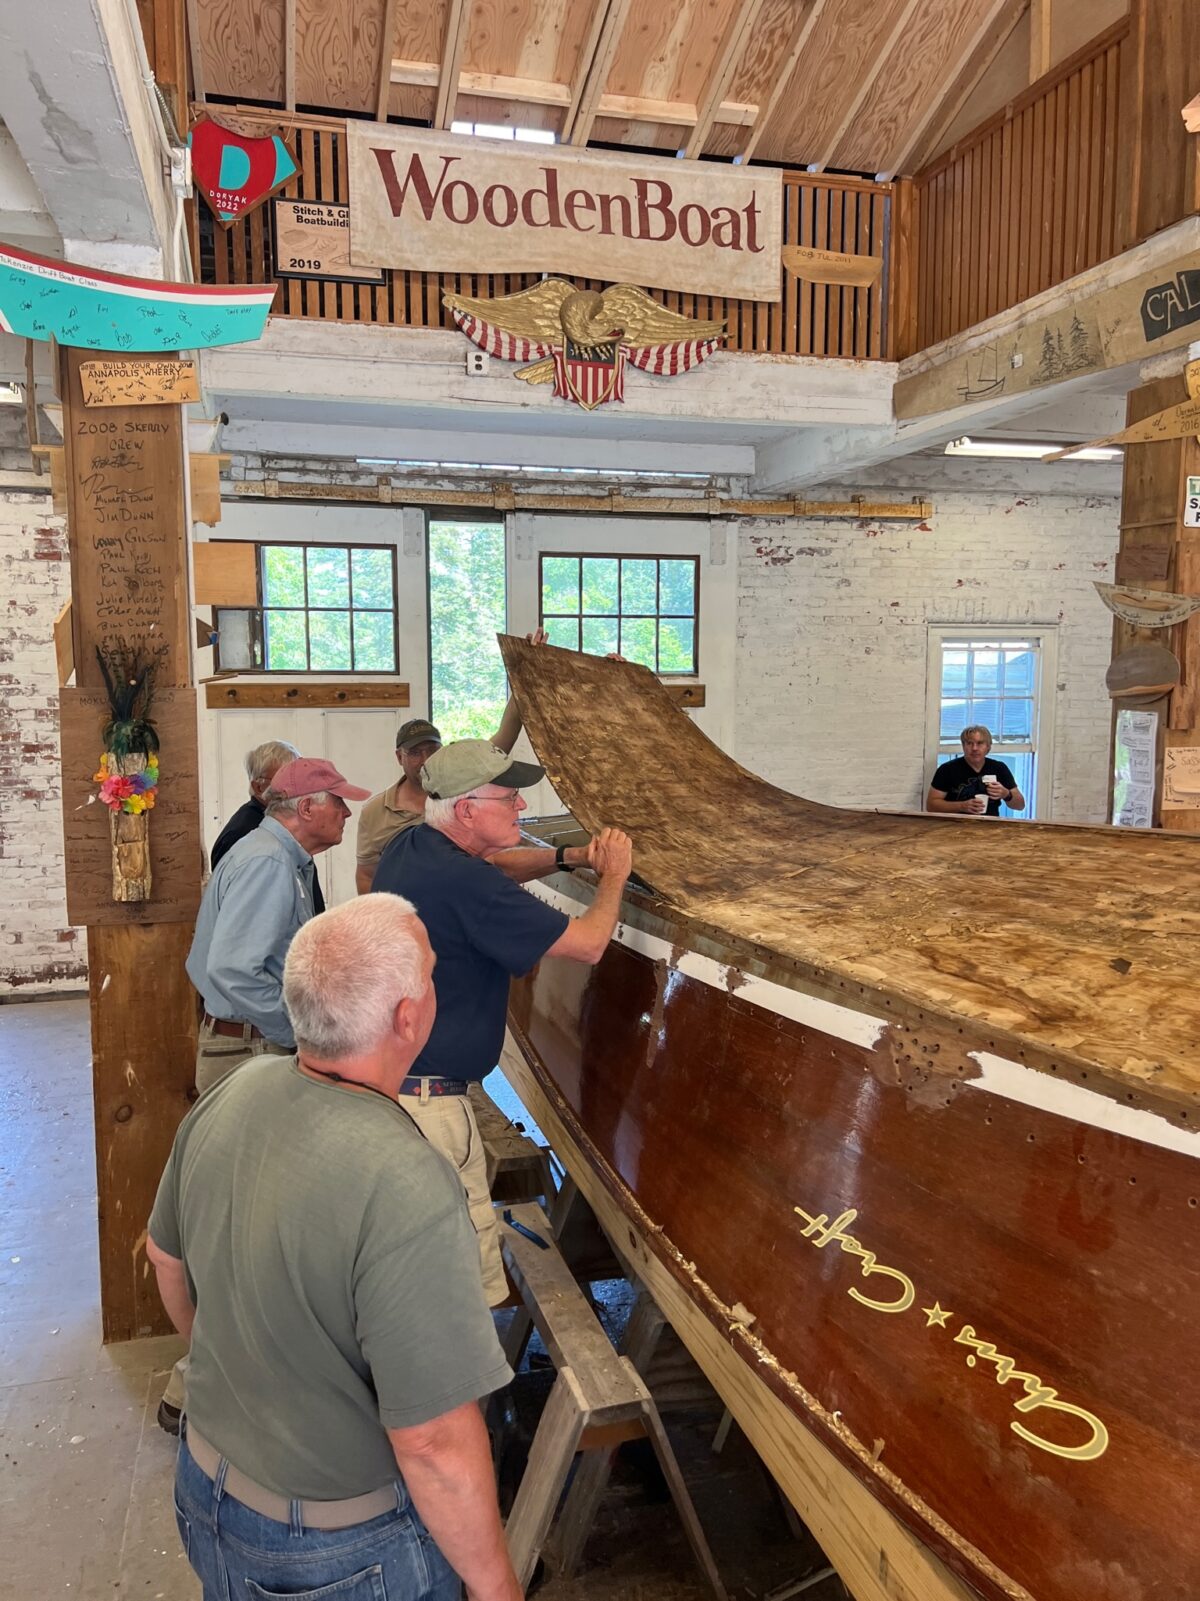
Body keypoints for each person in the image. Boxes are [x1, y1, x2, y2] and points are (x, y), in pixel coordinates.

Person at [147, 895, 521, 1601]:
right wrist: (496, 1582)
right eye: (433, 975)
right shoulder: (405, 1175)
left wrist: (246, 1373)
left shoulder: (237, 1089)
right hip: (336, 1549)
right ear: (407, 1017)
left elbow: (166, 1259)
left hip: (205, 1484)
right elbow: (432, 1441)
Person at [373, 738, 633, 1306]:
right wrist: (614, 875)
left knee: (427, 1270)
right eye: (509, 799)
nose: (521, 808)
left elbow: (492, 863)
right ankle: (462, 1390)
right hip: (432, 1109)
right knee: (463, 1288)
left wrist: (571, 858)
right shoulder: (468, 885)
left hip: (395, 1087)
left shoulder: (412, 846)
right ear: (467, 810)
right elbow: (589, 945)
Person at [161, 757, 374, 1437]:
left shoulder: (285, 859)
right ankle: (195, 1385)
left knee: (250, 1215)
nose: (346, 813)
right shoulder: (266, 863)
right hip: (245, 1049)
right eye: (338, 802)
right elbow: (230, 967)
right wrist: (300, 1033)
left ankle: (214, 1379)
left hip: (251, 1041)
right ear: (306, 806)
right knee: (238, 1220)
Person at [355, 628, 548, 894]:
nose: (425, 759)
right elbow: (367, 874)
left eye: (432, 749)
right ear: (399, 757)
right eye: (415, 752)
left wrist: (525, 671)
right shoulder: (376, 812)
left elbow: (508, 731)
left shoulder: (465, 778)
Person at [210, 739, 326, 913]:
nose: (297, 789)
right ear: (258, 786)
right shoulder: (242, 833)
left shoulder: (287, 822)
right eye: (286, 780)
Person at [926, 726, 1026, 817]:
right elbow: (931, 806)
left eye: (980, 743)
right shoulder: (947, 770)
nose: (974, 748)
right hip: (955, 827)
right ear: (963, 746)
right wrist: (961, 806)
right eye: (969, 743)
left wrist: (1006, 794)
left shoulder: (999, 768)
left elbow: (1020, 805)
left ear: (988, 747)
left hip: (991, 827)